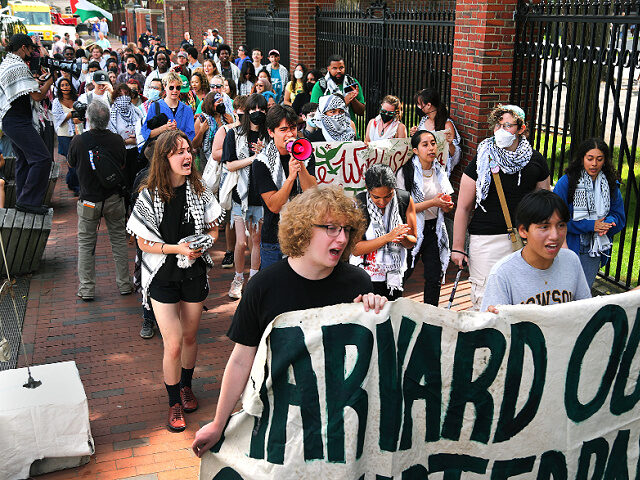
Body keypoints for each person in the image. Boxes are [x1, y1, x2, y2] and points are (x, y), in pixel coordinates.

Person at [191, 185, 386, 457]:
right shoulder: (263, 287)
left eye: (346, 230)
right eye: (330, 228)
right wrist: (218, 423)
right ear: (303, 230)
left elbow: (371, 361)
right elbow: (240, 360)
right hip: (281, 425)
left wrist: (373, 316)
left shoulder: (359, 283)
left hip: (339, 427)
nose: (341, 239)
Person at [127, 130, 222, 432]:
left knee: (191, 337)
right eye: (178, 152)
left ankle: (186, 385)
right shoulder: (149, 194)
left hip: (193, 272)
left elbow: (214, 230)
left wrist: (200, 246)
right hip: (162, 276)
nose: (186, 156)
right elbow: (143, 243)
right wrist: (177, 249)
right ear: (164, 158)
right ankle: (173, 403)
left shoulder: (201, 191)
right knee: (173, 343)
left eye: (188, 150)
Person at [451, 105, 551, 310]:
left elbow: (545, 206)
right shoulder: (482, 158)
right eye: (497, 125)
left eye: (507, 125)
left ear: (521, 129)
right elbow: (463, 207)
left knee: (520, 298)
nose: (500, 130)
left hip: (523, 242)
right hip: (486, 239)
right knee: (485, 298)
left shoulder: (535, 160)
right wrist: (458, 248)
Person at [481, 189, 591, 312]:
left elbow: (587, 310)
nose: (554, 236)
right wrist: (489, 318)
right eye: (544, 227)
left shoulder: (571, 260)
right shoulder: (503, 274)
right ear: (523, 230)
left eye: (561, 225)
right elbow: (491, 326)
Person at [68, 101, 134, 301]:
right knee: (118, 242)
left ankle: (87, 288)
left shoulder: (79, 140)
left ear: (88, 118)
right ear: (107, 120)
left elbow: (71, 163)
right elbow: (122, 163)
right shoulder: (116, 140)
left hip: (89, 200)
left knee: (86, 245)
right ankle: (124, 284)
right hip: (113, 198)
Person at [553, 138, 626, 288]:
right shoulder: (566, 183)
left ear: (605, 161)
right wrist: (591, 225)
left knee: (583, 294)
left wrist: (609, 222)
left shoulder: (611, 185)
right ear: (582, 159)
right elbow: (556, 220)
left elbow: (619, 217)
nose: (594, 164)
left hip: (594, 249)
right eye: (590, 158)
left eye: (599, 159)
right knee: (562, 292)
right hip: (568, 245)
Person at [252, 104, 317, 268]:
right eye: (283, 129)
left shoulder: (305, 152)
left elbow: (312, 192)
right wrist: (290, 178)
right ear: (271, 132)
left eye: (293, 128)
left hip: (303, 235)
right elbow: (274, 205)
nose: (290, 134)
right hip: (274, 241)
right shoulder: (262, 162)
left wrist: (300, 165)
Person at [398, 130, 455, 305]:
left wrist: (446, 206)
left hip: (434, 230)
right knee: (403, 273)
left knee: (434, 276)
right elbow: (402, 207)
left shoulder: (439, 170)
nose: (431, 148)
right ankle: (392, 307)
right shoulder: (405, 173)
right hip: (410, 229)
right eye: (425, 144)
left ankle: (431, 314)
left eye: (433, 143)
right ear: (415, 150)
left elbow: (445, 204)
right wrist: (433, 203)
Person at [0, 34, 54, 214]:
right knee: (42, 158)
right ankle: (29, 201)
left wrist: (38, 82)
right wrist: (50, 81)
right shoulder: (17, 66)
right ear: (23, 48)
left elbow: (24, 90)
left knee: (24, 161)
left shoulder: (8, 63)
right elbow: (37, 96)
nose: (32, 52)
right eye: (31, 49)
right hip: (16, 121)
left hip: (12, 120)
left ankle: (24, 201)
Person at [222, 94, 268, 298]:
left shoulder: (269, 136)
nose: (257, 113)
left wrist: (265, 154)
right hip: (241, 196)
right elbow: (229, 164)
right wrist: (253, 158)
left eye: (262, 109)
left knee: (256, 240)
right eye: (253, 109)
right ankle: (238, 278)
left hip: (262, 197)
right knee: (241, 242)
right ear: (246, 111)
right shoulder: (235, 135)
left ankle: (255, 280)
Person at [351, 164, 416, 300]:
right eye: (376, 197)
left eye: (388, 196)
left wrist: (402, 238)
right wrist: (387, 237)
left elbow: (412, 242)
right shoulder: (358, 203)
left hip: (393, 280)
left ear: (394, 188)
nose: (382, 202)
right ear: (368, 190)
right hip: (364, 276)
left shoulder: (404, 199)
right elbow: (355, 249)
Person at [410, 88, 461, 176]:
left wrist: (450, 143)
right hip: (420, 169)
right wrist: (414, 135)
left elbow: (454, 155)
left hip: (436, 172)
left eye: (419, 104)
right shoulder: (424, 120)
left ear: (428, 105)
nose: (418, 107)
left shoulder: (446, 124)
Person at [140, 72, 195, 143]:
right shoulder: (155, 106)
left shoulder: (187, 109)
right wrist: (164, 128)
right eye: (171, 88)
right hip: (160, 150)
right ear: (164, 86)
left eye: (178, 88)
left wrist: (177, 131)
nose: (175, 91)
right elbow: (146, 133)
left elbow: (190, 135)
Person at [109, 83, 144, 191]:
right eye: (120, 95)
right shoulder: (111, 114)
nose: (123, 98)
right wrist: (126, 142)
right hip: (120, 153)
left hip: (136, 152)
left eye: (126, 94)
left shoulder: (136, 111)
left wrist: (137, 140)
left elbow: (143, 128)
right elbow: (110, 136)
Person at [310, 54, 365, 119]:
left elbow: (361, 112)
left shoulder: (352, 83)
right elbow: (315, 113)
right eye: (334, 68)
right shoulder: (321, 86)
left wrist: (352, 99)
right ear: (328, 69)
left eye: (341, 68)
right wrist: (344, 103)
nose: (338, 71)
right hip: (328, 128)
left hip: (350, 127)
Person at [52, 77, 82, 196]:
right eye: (63, 85)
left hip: (77, 132)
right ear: (60, 88)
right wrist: (71, 114)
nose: (65, 87)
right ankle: (76, 186)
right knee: (70, 160)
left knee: (78, 159)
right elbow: (58, 118)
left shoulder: (77, 99)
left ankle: (71, 181)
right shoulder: (56, 102)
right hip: (64, 134)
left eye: (67, 85)